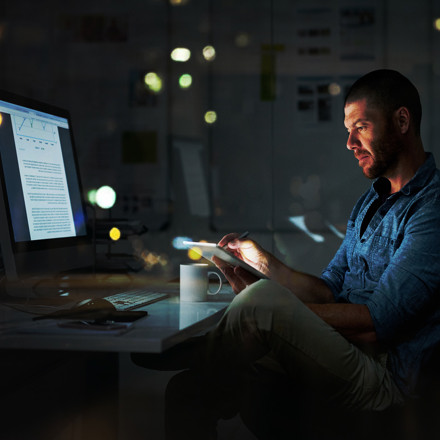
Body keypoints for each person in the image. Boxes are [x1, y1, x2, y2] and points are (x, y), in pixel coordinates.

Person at [155, 69, 440, 439]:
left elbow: (376, 325)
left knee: (261, 306)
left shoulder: (431, 209)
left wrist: (274, 313)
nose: (350, 142)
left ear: (401, 121)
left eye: (361, 127)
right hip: (344, 348)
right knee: (186, 390)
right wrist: (263, 265)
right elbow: (327, 290)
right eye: (347, 131)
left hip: (385, 375)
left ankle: (199, 351)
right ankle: (212, 353)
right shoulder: (371, 202)